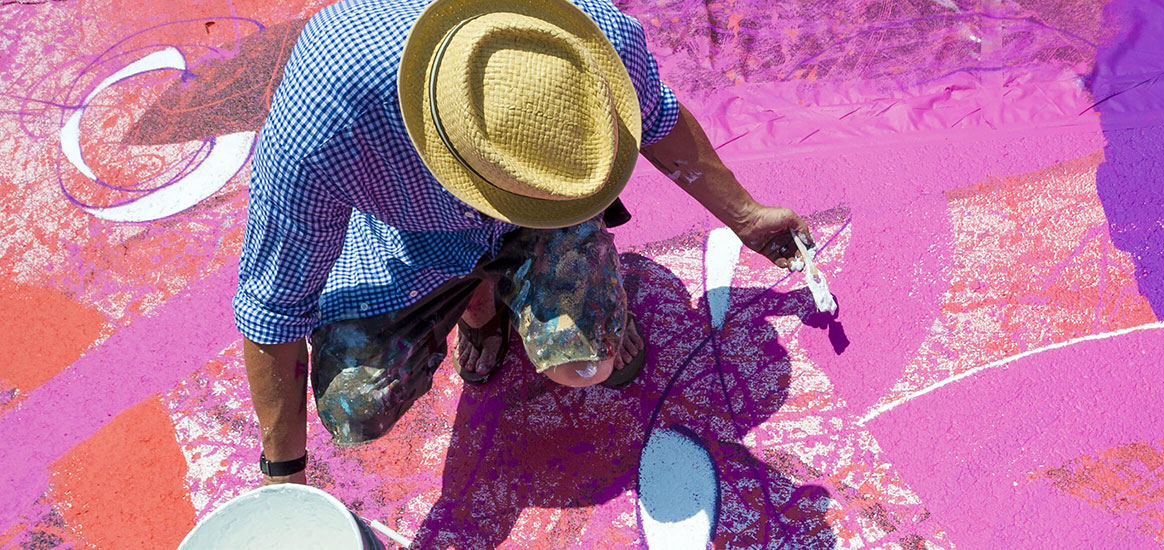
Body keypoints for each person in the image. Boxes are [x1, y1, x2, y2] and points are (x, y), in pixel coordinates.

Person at [236, 0, 811, 486]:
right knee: (353, 409)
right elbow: (273, 311)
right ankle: (476, 300)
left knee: (593, 363)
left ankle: (542, 250)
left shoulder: (590, 41)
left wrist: (747, 216)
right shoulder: (327, 121)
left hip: (551, 220)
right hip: (407, 239)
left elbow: (656, 118)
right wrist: (285, 481)